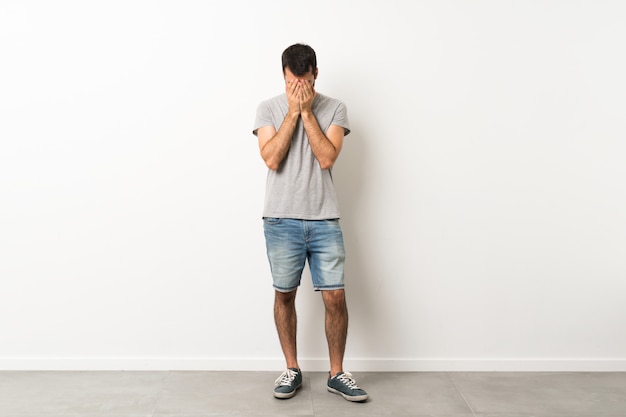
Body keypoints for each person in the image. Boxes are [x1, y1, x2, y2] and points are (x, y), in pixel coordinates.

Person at [252, 43, 368, 402]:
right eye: (290, 82)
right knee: (284, 294)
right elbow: (271, 159)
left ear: (315, 74)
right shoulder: (267, 108)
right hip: (281, 219)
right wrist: (291, 112)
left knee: (335, 296)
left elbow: (327, 157)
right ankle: (292, 368)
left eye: (303, 81)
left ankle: (337, 373)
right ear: (283, 77)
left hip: (323, 219)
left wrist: (306, 114)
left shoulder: (335, 108)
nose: (297, 88)